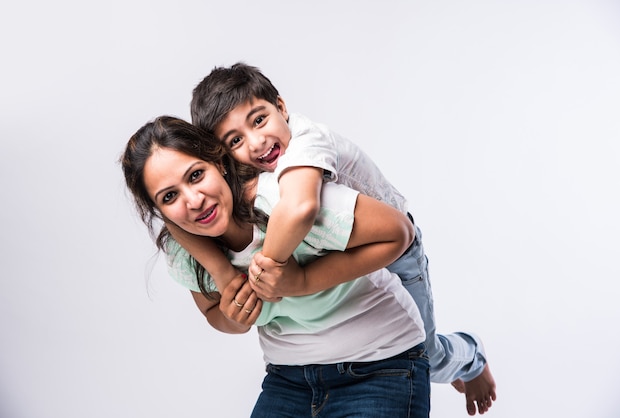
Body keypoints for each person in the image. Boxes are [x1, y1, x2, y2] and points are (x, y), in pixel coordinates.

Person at [189, 62, 496, 416]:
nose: (257, 142)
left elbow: (301, 207)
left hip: (398, 248)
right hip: (337, 245)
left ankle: (470, 356)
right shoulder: (248, 175)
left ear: (281, 107)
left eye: (259, 120)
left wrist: (270, 271)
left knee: (425, 350)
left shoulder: (306, 141)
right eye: (236, 141)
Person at [121, 115, 430, 417]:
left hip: (380, 366)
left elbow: (399, 233)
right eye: (170, 196)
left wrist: (303, 280)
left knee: (440, 354)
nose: (194, 200)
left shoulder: (284, 201)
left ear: (217, 162)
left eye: (196, 175)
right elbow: (212, 313)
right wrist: (235, 314)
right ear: (158, 210)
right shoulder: (185, 249)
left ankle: (466, 359)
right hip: (288, 379)